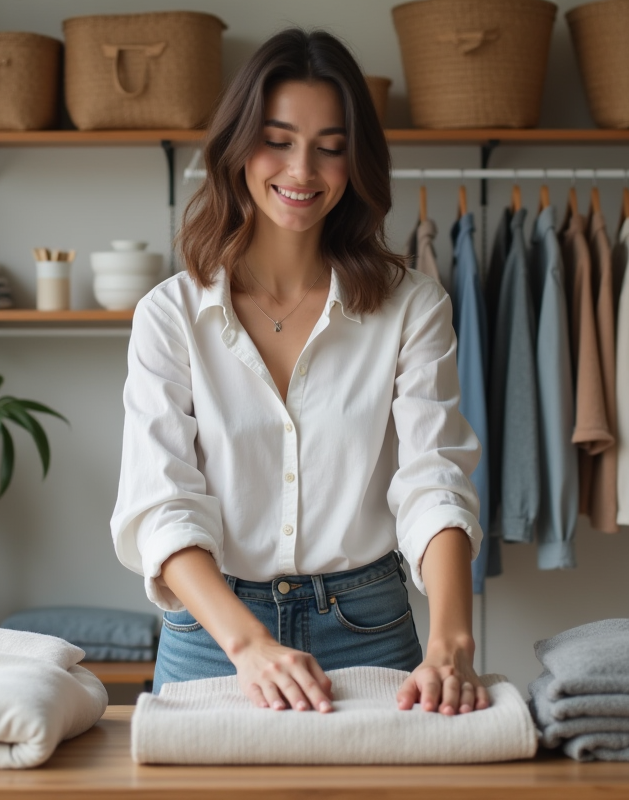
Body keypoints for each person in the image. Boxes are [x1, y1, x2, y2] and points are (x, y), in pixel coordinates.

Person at [111, 28, 487, 715]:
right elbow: (162, 503)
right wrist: (248, 643)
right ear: (237, 146)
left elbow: (433, 477)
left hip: (368, 628)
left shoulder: (414, 307)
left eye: (331, 148)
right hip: (211, 636)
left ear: (357, 162)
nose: (302, 169)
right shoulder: (170, 315)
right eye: (278, 140)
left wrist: (452, 643)